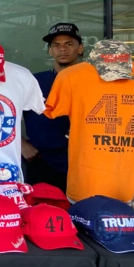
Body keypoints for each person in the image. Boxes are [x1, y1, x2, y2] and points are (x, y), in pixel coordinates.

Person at [22, 22, 84, 192]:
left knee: (81, 214)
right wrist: (19, 143)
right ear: (50, 51)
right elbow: (6, 111)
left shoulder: (93, 81)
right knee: (41, 215)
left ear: (80, 48)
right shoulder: (34, 81)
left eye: (69, 44)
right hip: (40, 160)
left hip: (84, 162)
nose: (62, 49)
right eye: (56, 45)